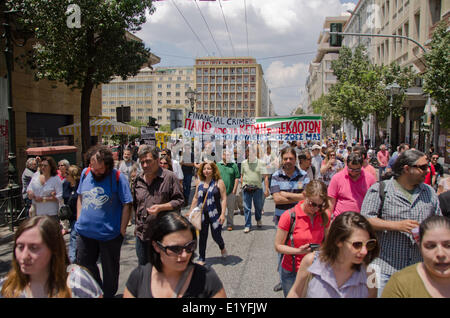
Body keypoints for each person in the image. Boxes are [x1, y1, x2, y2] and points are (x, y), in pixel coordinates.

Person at [360, 149, 442, 296]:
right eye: (422, 167)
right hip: (382, 268)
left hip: (418, 269)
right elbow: (365, 219)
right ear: (407, 169)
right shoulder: (380, 190)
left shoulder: (429, 193)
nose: (427, 170)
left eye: (427, 166)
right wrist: (396, 226)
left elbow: (438, 223)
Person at [75, 145, 133, 298]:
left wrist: (122, 230)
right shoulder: (85, 173)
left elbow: (127, 204)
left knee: (110, 270)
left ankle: (107, 294)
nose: (96, 172)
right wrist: (79, 219)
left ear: (107, 165)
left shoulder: (118, 177)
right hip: (84, 233)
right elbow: (80, 196)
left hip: (109, 235)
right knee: (84, 265)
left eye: (100, 169)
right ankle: (95, 290)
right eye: (93, 167)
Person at [123, 212, 226, 298]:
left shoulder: (207, 279)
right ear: (156, 246)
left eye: (190, 246)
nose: (184, 255)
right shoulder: (138, 278)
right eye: (175, 249)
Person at [0, 216, 102, 298]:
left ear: (54, 249)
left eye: (34, 247)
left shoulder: (77, 282)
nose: (24, 256)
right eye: (20, 247)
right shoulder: (6, 287)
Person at [287, 212, 379, 298]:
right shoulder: (311, 262)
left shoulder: (369, 275)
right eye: (357, 244)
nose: (364, 251)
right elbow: (295, 293)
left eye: (369, 244)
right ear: (338, 241)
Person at [274, 180, 330, 296]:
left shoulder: (324, 216)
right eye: (313, 204)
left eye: (320, 205)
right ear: (304, 196)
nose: (316, 209)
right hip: (292, 271)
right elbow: (278, 246)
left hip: (316, 270)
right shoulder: (289, 216)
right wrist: (299, 251)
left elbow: (327, 241)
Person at [133, 145, 184, 266]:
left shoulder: (169, 177)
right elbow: (136, 205)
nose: (145, 165)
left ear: (157, 160)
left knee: (163, 270)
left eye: (148, 161)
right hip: (142, 235)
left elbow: (180, 200)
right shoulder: (137, 180)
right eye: (142, 162)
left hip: (163, 236)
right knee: (144, 270)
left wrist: (161, 207)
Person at [270, 147, 309, 292]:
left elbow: (307, 197)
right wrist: (298, 197)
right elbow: (277, 200)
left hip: (301, 220)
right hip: (281, 220)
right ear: (282, 159)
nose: (288, 161)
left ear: (295, 160)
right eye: (285, 158)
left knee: (301, 249)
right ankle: (282, 279)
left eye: (291, 158)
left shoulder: (303, 175)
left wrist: (285, 193)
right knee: (282, 250)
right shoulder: (276, 175)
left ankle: (300, 277)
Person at [382, 216, 450, 298]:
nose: (440, 253)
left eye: (448, 245)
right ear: (420, 247)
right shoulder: (400, 284)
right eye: (431, 246)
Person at [188, 162, 227, 265]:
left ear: (213, 170)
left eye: (209, 169)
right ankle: (202, 257)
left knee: (216, 235)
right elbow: (196, 198)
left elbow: (223, 198)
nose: (206, 171)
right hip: (202, 215)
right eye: (204, 169)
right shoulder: (199, 183)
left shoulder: (219, 182)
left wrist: (223, 214)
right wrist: (190, 211)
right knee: (202, 236)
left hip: (215, 214)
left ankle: (222, 246)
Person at [328, 153, 376, 219]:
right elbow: (331, 202)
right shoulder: (337, 178)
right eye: (351, 169)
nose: (353, 172)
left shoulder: (370, 179)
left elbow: (374, 202)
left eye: (357, 170)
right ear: (346, 165)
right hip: (341, 220)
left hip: (361, 221)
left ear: (361, 166)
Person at [241, 145, 269, 233]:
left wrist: (267, 189)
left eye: (252, 152)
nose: (250, 154)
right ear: (247, 153)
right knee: (247, 208)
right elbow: (242, 175)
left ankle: (258, 219)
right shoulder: (243, 163)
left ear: (255, 153)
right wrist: (242, 184)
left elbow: (265, 177)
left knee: (258, 207)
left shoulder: (261, 163)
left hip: (258, 189)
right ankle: (247, 225)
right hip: (246, 189)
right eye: (248, 152)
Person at [217, 149, 240, 231]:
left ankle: (230, 224)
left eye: (229, 155)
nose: (227, 156)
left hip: (230, 191)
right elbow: (214, 177)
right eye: (225, 154)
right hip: (219, 192)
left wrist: (234, 189)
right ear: (222, 155)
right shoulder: (217, 165)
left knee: (230, 209)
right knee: (219, 209)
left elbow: (237, 178)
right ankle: (219, 224)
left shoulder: (234, 165)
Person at [62, 165, 81, 263]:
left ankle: (72, 259)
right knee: (75, 236)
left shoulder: (80, 185)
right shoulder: (65, 184)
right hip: (69, 215)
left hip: (78, 216)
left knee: (73, 235)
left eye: (67, 174)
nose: (65, 175)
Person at [180, 143, 196, 207]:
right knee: (182, 186)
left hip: (189, 173)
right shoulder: (182, 155)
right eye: (185, 148)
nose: (187, 149)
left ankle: (186, 199)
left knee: (188, 187)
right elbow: (180, 163)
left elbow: (192, 164)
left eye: (188, 148)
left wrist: (184, 163)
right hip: (182, 172)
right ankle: (183, 199)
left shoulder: (192, 155)